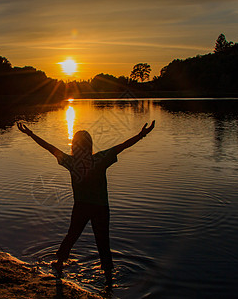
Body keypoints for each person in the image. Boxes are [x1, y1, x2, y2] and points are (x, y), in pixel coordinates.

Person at [17, 120, 155, 286]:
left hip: (81, 206)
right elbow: (123, 145)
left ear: (74, 146)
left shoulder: (71, 162)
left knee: (72, 235)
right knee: (103, 241)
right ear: (89, 145)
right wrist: (142, 134)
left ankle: (60, 264)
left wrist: (30, 134)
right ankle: (109, 278)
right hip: (101, 208)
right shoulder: (100, 159)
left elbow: (49, 147)